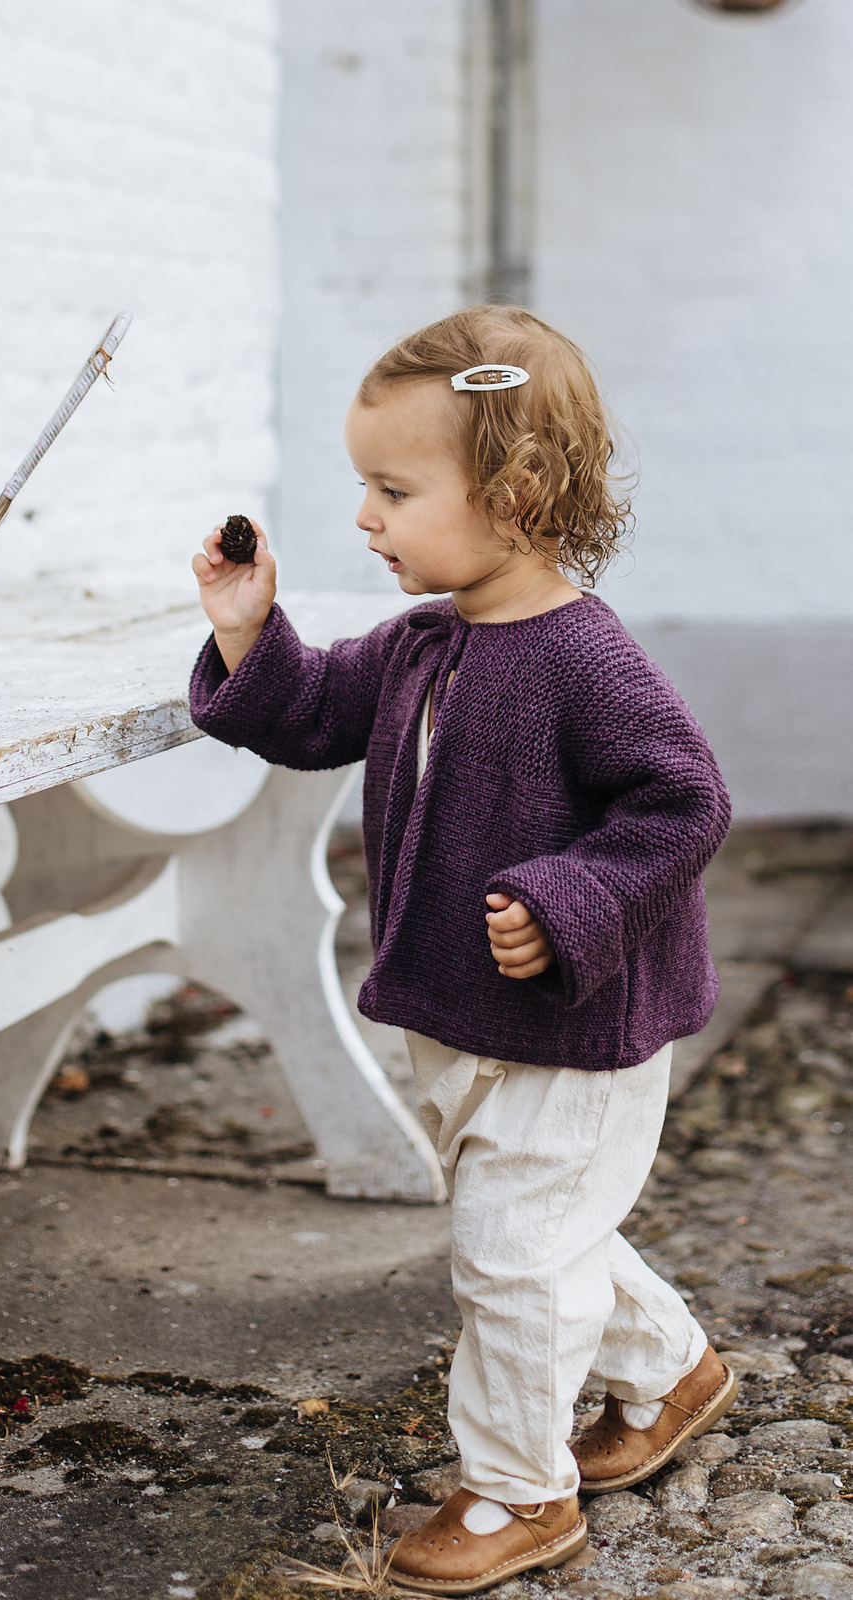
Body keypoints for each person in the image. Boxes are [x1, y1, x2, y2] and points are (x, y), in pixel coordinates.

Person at [189, 306, 737, 1595]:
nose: (366, 518)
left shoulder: (587, 660)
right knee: (542, 1231)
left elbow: (682, 804)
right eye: (362, 488)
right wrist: (244, 632)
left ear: (520, 493)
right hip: (458, 1014)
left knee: (511, 1252)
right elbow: (315, 710)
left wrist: (568, 898)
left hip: (575, 1028)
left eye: (393, 489)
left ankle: (516, 1492)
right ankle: (673, 1374)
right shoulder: (426, 642)